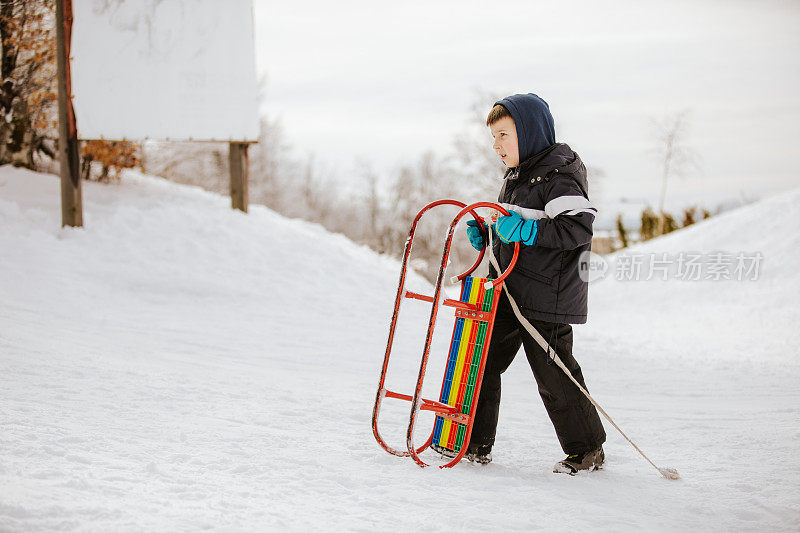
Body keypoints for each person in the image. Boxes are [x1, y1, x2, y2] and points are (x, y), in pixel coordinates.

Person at [452, 93, 606, 474]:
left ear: (529, 131)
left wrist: (522, 229)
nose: (497, 146)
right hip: (509, 289)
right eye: (494, 138)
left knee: (553, 373)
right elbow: (518, 234)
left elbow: (576, 227)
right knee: (482, 361)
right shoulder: (517, 179)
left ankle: (587, 449)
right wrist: (491, 235)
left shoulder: (559, 174)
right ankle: (475, 443)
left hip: (546, 294)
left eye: (504, 135)